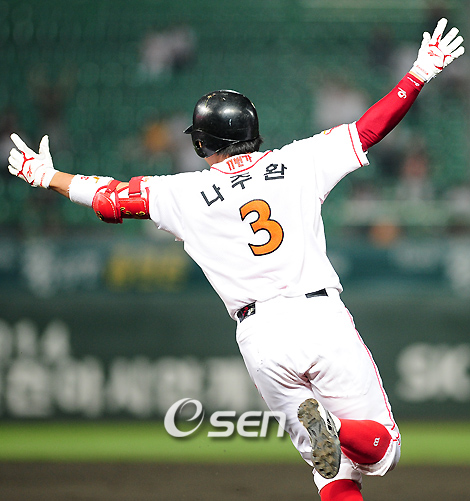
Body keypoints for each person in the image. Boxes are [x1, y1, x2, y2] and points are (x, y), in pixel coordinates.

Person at [7, 19, 464, 501]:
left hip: (259, 338)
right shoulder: (298, 162)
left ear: (201, 143)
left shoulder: (183, 193)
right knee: (382, 450)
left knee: (331, 472)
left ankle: (326, 429)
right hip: (317, 316)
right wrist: (418, 74)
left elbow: (110, 197)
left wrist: (47, 176)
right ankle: (334, 425)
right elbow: (370, 128)